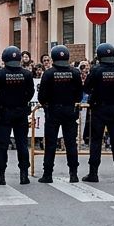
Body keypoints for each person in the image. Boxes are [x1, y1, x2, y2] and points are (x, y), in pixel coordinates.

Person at [0, 45, 33, 186]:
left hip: (4, 113)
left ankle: (0, 176)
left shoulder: (0, 74)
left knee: (2, 145)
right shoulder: (26, 74)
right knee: (22, 144)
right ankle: (24, 175)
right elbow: (30, 93)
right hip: (20, 112)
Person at [38, 45, 82, 183]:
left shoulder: (49, 73)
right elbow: (79, 94)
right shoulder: (75, 73)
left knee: (50, 144)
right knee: (71, 144)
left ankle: (47, 174)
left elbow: (42, 95)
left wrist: (47, 104)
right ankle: (73, 174)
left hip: (53, 111)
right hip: (70, 111)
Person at [83, 43, 114, 182]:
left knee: (96, 142)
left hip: (99, 109)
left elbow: (87, 88)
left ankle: (93, 173)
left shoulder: (96, 70)